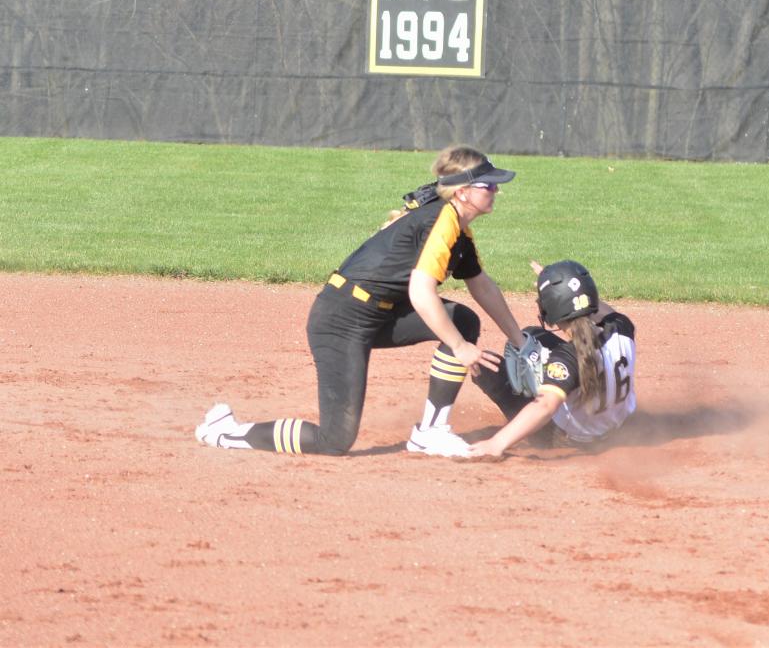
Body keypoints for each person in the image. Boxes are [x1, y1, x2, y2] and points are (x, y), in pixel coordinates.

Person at [195, 146, 525, 456]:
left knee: (463, 320)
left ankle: (431, 431)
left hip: (378, 315)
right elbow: (421, 292)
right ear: (462, 191)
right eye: (489, 186)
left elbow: (482, 286)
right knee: (335, 439)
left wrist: (519, 340)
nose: (497, 191)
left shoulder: (457, 228)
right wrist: (458, 346)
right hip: (342, 320)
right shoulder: (441, 220)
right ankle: (226, 432)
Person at [465, 260, 637, 458]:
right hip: (617, 426)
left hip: (568, 438)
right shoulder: (623, 327)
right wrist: (566, 288)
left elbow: (545, 406)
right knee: (533, 334)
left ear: (550, 309)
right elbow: (595, 307)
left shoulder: (566, 359)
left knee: (485, 368)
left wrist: (496, 443)